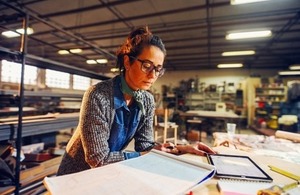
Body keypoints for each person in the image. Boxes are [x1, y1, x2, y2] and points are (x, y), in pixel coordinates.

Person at [57, 26, 215, 176]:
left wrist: (181, 148)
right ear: (127, 62)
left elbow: (145, 145)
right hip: (75, 176)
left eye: (158, 69)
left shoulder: (146, 100)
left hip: (108, 173)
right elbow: (97, 159)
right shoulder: (98, 95)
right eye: (147, 65)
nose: (153, 75)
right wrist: (143, 155)